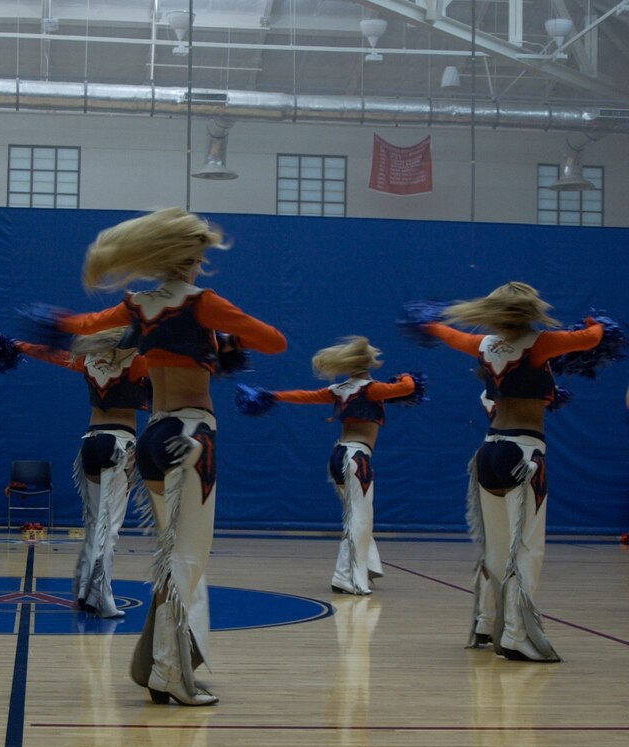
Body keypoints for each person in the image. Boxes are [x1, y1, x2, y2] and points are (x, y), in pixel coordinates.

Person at [34, 208, 288, 705]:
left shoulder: (137, 306)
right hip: (192, 436)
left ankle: (161, 664)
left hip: (152, 437)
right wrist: (227, 334)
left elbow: (80, 324)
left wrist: (52, 322)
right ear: (192, 260)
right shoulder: (203, 303)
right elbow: (275, 342)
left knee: (172, 557)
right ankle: (171, 673)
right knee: (188, 558)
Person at [419, 281, 604, 662]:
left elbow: (447, 334)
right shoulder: (541, 344)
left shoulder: (484, 345)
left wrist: (428, 323)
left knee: (496, 548)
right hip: (523, 453)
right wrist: (597, 321)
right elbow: (591, 338)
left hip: (488, 453)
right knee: (526, 550)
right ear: (530, 311)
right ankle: (517, 635)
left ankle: (487, 623)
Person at [236, 336, 417, 596]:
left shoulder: (339, 389)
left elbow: (305, 396)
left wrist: (272, 395)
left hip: (337, 456)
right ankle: (351, 579)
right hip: (356, 458)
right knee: (361, 519)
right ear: (368, 364)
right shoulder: (372, 389)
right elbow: (408, 388)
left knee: (355, 517)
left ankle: (358, 570)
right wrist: (405, 377)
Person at [15, 328, 150, 618]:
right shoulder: (137, 363)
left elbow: (50, 353)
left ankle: (84, 590)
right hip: (119, 445)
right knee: (108, 528)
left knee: (93, 525)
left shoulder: (86, 361)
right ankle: (102, 598)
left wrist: (20, 345)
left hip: (90, 443)